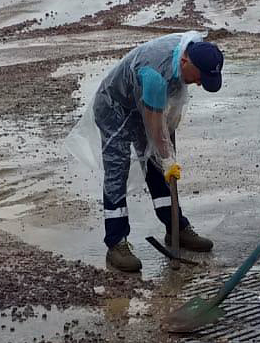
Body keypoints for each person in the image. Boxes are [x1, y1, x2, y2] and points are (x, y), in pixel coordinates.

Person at [90, 33, 224, 273]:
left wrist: (166, 155)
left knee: (159, 166)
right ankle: (116, 242)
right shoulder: (154, 76)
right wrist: (167, 155)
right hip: (116, 106)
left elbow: (166, 117)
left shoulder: (191, 48)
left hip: (148, 101)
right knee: (118, 170)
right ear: (186, 62)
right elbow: (155, 129)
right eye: (200, 77)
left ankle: (176, 228)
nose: (200, 84)